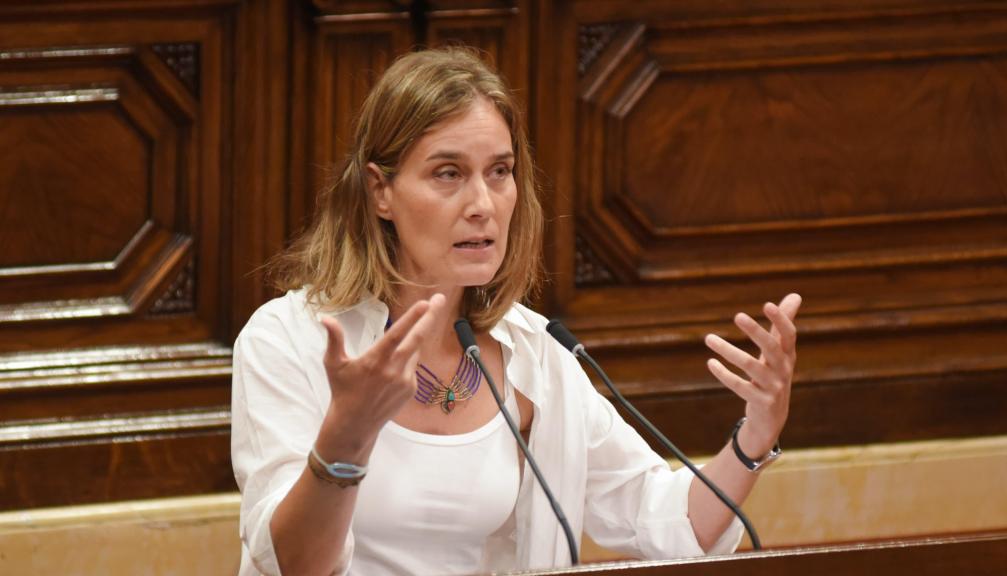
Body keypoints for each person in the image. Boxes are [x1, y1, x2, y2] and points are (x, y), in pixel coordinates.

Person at [231, 47, 801, 576]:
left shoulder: (536, 353)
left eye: (499, 172)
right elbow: (292, 565)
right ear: (381, 191)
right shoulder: (288, 342)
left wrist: (756, 433)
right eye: (448, 173)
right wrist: (346, 438)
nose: (482, 205)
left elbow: (667, 522)